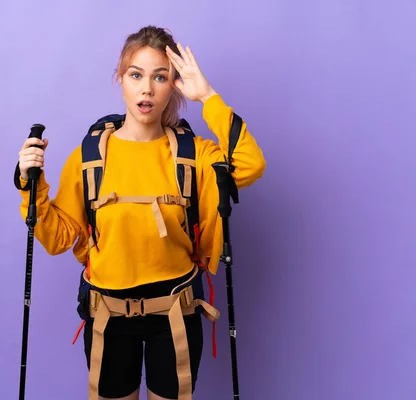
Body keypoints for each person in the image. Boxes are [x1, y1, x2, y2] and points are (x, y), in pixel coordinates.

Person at [15, 26, 265, 400]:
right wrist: (28, 185)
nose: (147, 89)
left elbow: (249, 164)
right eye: (136, 75)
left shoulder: (193, 155)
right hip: (109, 316)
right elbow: (56, 237)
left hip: (175, 313)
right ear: (121, 79)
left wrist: (208, 97)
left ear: (173, 85)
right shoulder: (89, 158)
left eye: (160, 77)